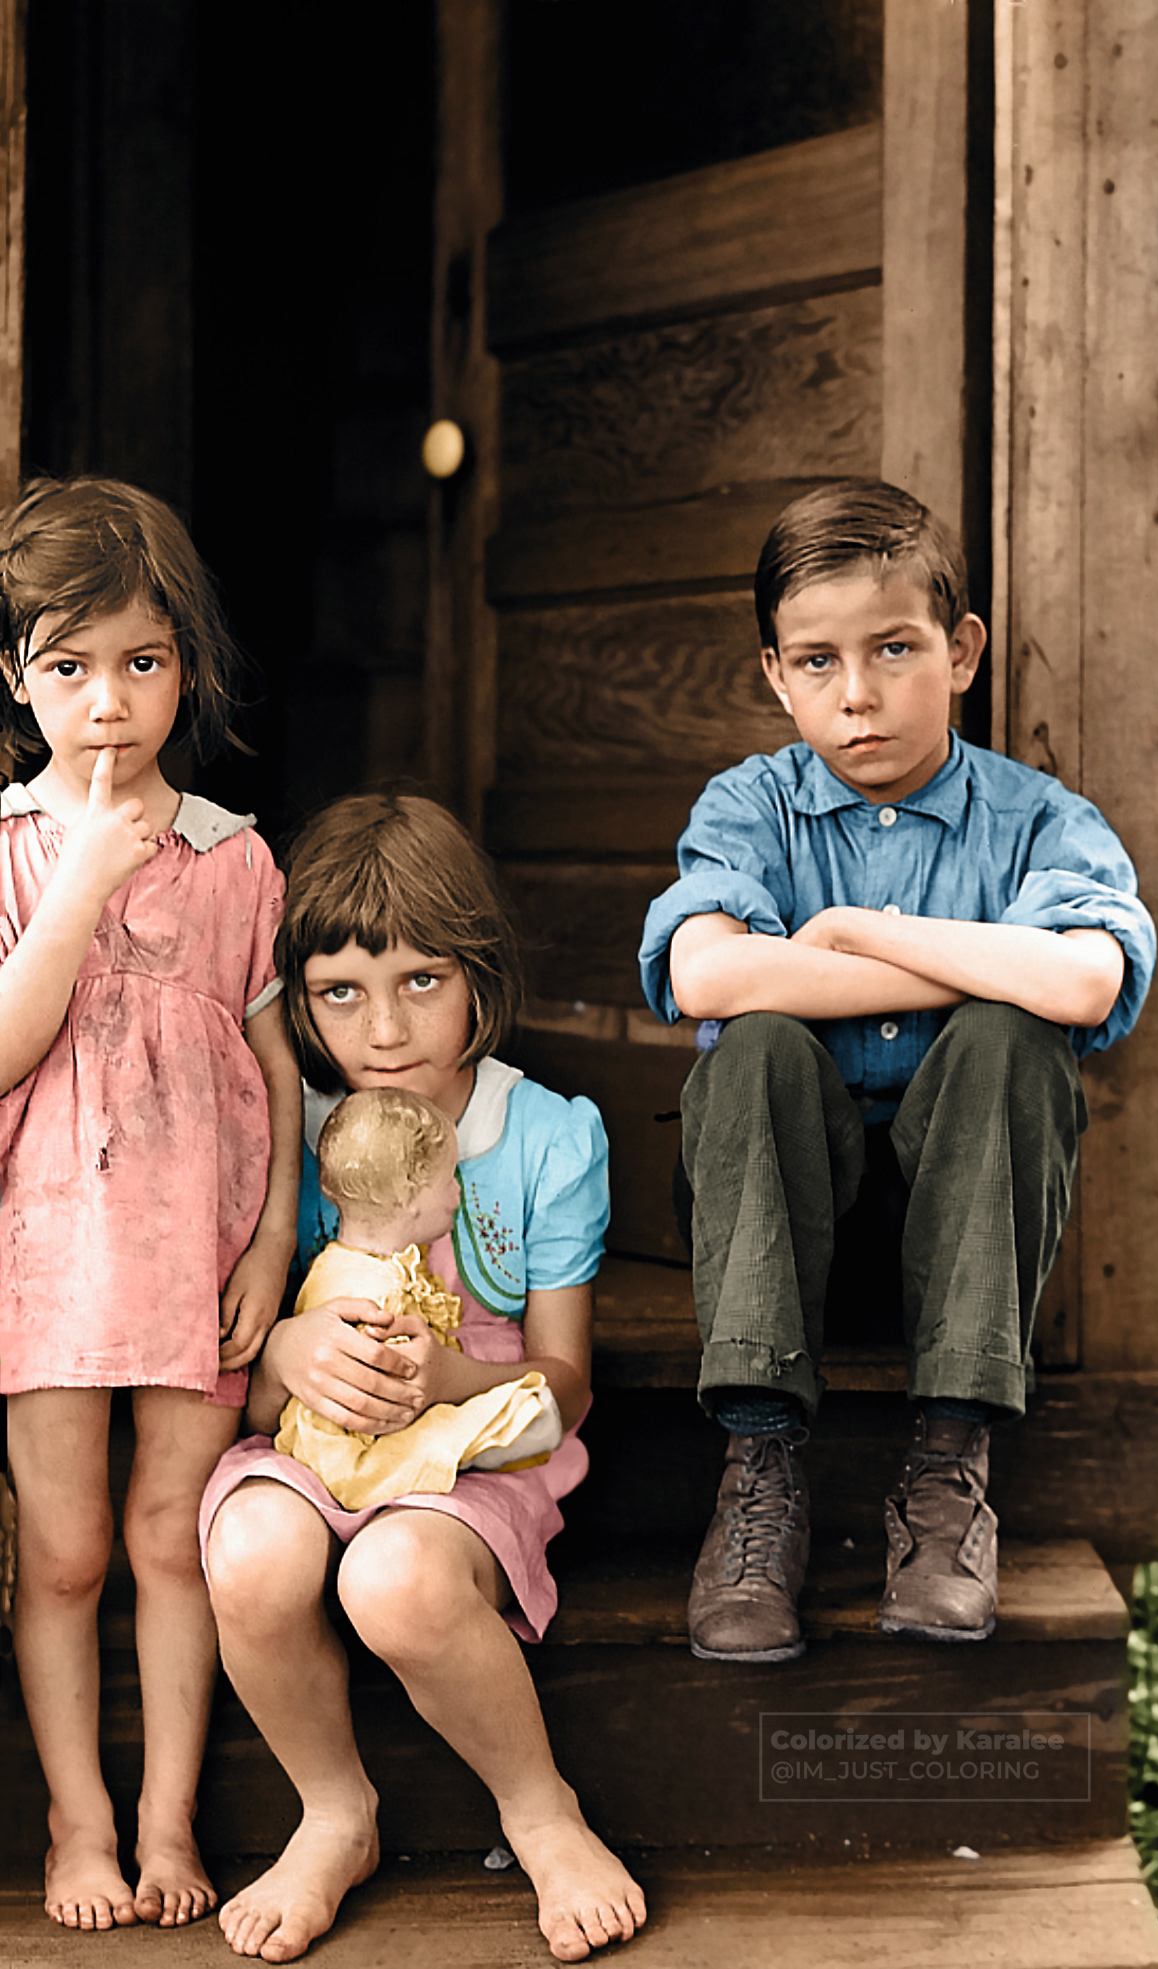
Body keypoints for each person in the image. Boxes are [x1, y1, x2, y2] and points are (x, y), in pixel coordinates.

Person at [638, 478, 1157, 1663]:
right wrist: (984, 960)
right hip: (777, 1245)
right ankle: (760, 1468)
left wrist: (854, 933)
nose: (856, 693)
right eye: (815, 662)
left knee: (1015, 1038)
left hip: (964, 1250)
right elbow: (712, 977)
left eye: (893, 649)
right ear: (774, 674)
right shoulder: (752, 806)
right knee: (760, 1045)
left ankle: (947, 1476)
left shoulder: (1039, 821)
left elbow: (1079, 988)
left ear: (961, 650)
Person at [199, 793, 646, 1965]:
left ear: (479, 978)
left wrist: (450, 1376)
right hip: (311, 1433)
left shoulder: (544, 1137)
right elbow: (245, 1386)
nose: (383, 1028)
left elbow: (565, 1385)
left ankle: (541, 1809)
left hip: (474, 1443)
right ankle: (334, 1810)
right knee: (251, 1555)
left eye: (421, 981)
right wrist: (291, 1352)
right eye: (341, 991)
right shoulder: (290, 1126)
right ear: (297, 1000)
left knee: (393, 1580)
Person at [0, 477, 303, 1929]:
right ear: (16, 679)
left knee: (168, 1532)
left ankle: (171, 1822)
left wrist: (276, 1233)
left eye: (143, 661)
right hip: (45, 1256)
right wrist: (77, 888)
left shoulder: (237, 856)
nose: (109, 701)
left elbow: (274, 1066)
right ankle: (78, 1826)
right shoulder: (7, 852)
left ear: (189, 664)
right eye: (68, 665)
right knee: (61, 1549)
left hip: (198, 1248)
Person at [277, 1086, 563, 1508]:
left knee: (525, 1408)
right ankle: (456, 1449)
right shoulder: (374, 1293)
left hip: (369, 1427)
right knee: (518, 1416)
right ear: (409, 1195)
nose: (458, 1194)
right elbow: (384, 1394)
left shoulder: (366, 1268)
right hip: (349, 1451)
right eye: (448, 1179)